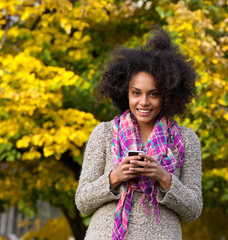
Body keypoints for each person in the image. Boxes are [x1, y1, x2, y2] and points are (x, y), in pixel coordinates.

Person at [75, 27, 202, 240]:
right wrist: (116, 177)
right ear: (125, 92)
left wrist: (163, 177)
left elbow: (193, 210)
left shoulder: (187, 140)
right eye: (136, 93)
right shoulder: (104, 133)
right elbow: (83, 202)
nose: (143, 102)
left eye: (154, 94)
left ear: (168, 96)